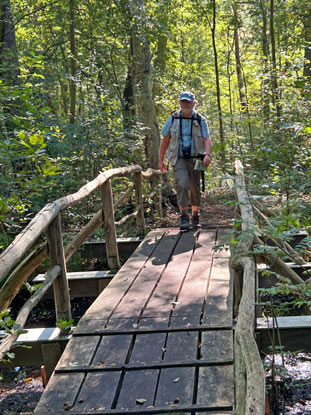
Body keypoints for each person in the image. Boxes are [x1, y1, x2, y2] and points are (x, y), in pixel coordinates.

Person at [158, 91, 212, 230]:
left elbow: (207, 139)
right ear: (179, 103)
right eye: (183, 102)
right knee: (182, 184)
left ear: (194, 103)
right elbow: (165, 140)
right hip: (179, 158)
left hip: (197, 158)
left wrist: (208, 155)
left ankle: (195, 215)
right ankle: (183, 217)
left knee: (195, 188)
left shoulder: (200, 119)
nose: (186, 105)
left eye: (188, 102)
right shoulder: (174, 118)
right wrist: (161, 160)